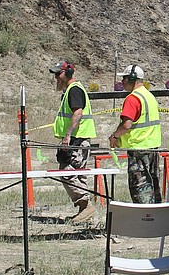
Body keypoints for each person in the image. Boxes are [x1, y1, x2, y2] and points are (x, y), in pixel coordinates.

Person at [50, 61, 97, 222]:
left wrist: (67, 136)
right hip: (79, 139)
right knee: (79, 174)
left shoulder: (74, 90)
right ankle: (85, 211)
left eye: (58, 74)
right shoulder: (71, 90)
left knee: (66, 172)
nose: (56, 77)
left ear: (68, 73)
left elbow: (78, 113)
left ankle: (85, 204)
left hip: (76, 140)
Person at [108, 65, 162, 203]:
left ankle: (143, 219)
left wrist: (114, 137)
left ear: (132, 78)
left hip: (139, 149)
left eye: (124, 79)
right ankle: (156, 217)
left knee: (141, 189)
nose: (122, 82)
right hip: (153, 148)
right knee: (153, 187)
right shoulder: (149, 96)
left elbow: (126, 125)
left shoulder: (133, 98)